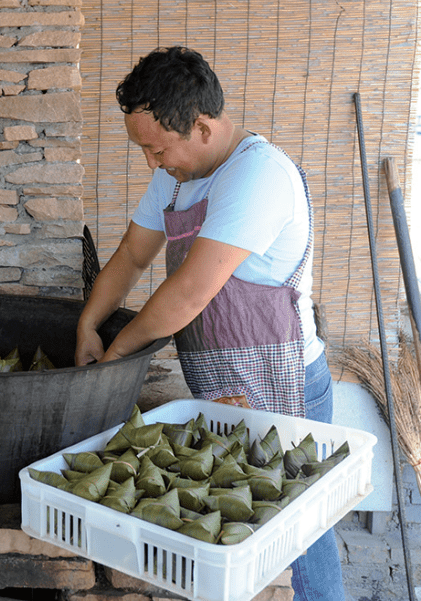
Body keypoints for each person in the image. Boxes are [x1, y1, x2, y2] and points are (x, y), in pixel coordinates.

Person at [74, 46, 346, 601]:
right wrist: (88, 322)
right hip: (222, 388)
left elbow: (190, 294)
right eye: (144, 150)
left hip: (283, 388)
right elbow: (130, 257)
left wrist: (115, 353)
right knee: (243, 533)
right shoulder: (175, 178)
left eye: (157, 149)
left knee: (298, 536)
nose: (152, 162)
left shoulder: (257, 175)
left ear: (201, 127)